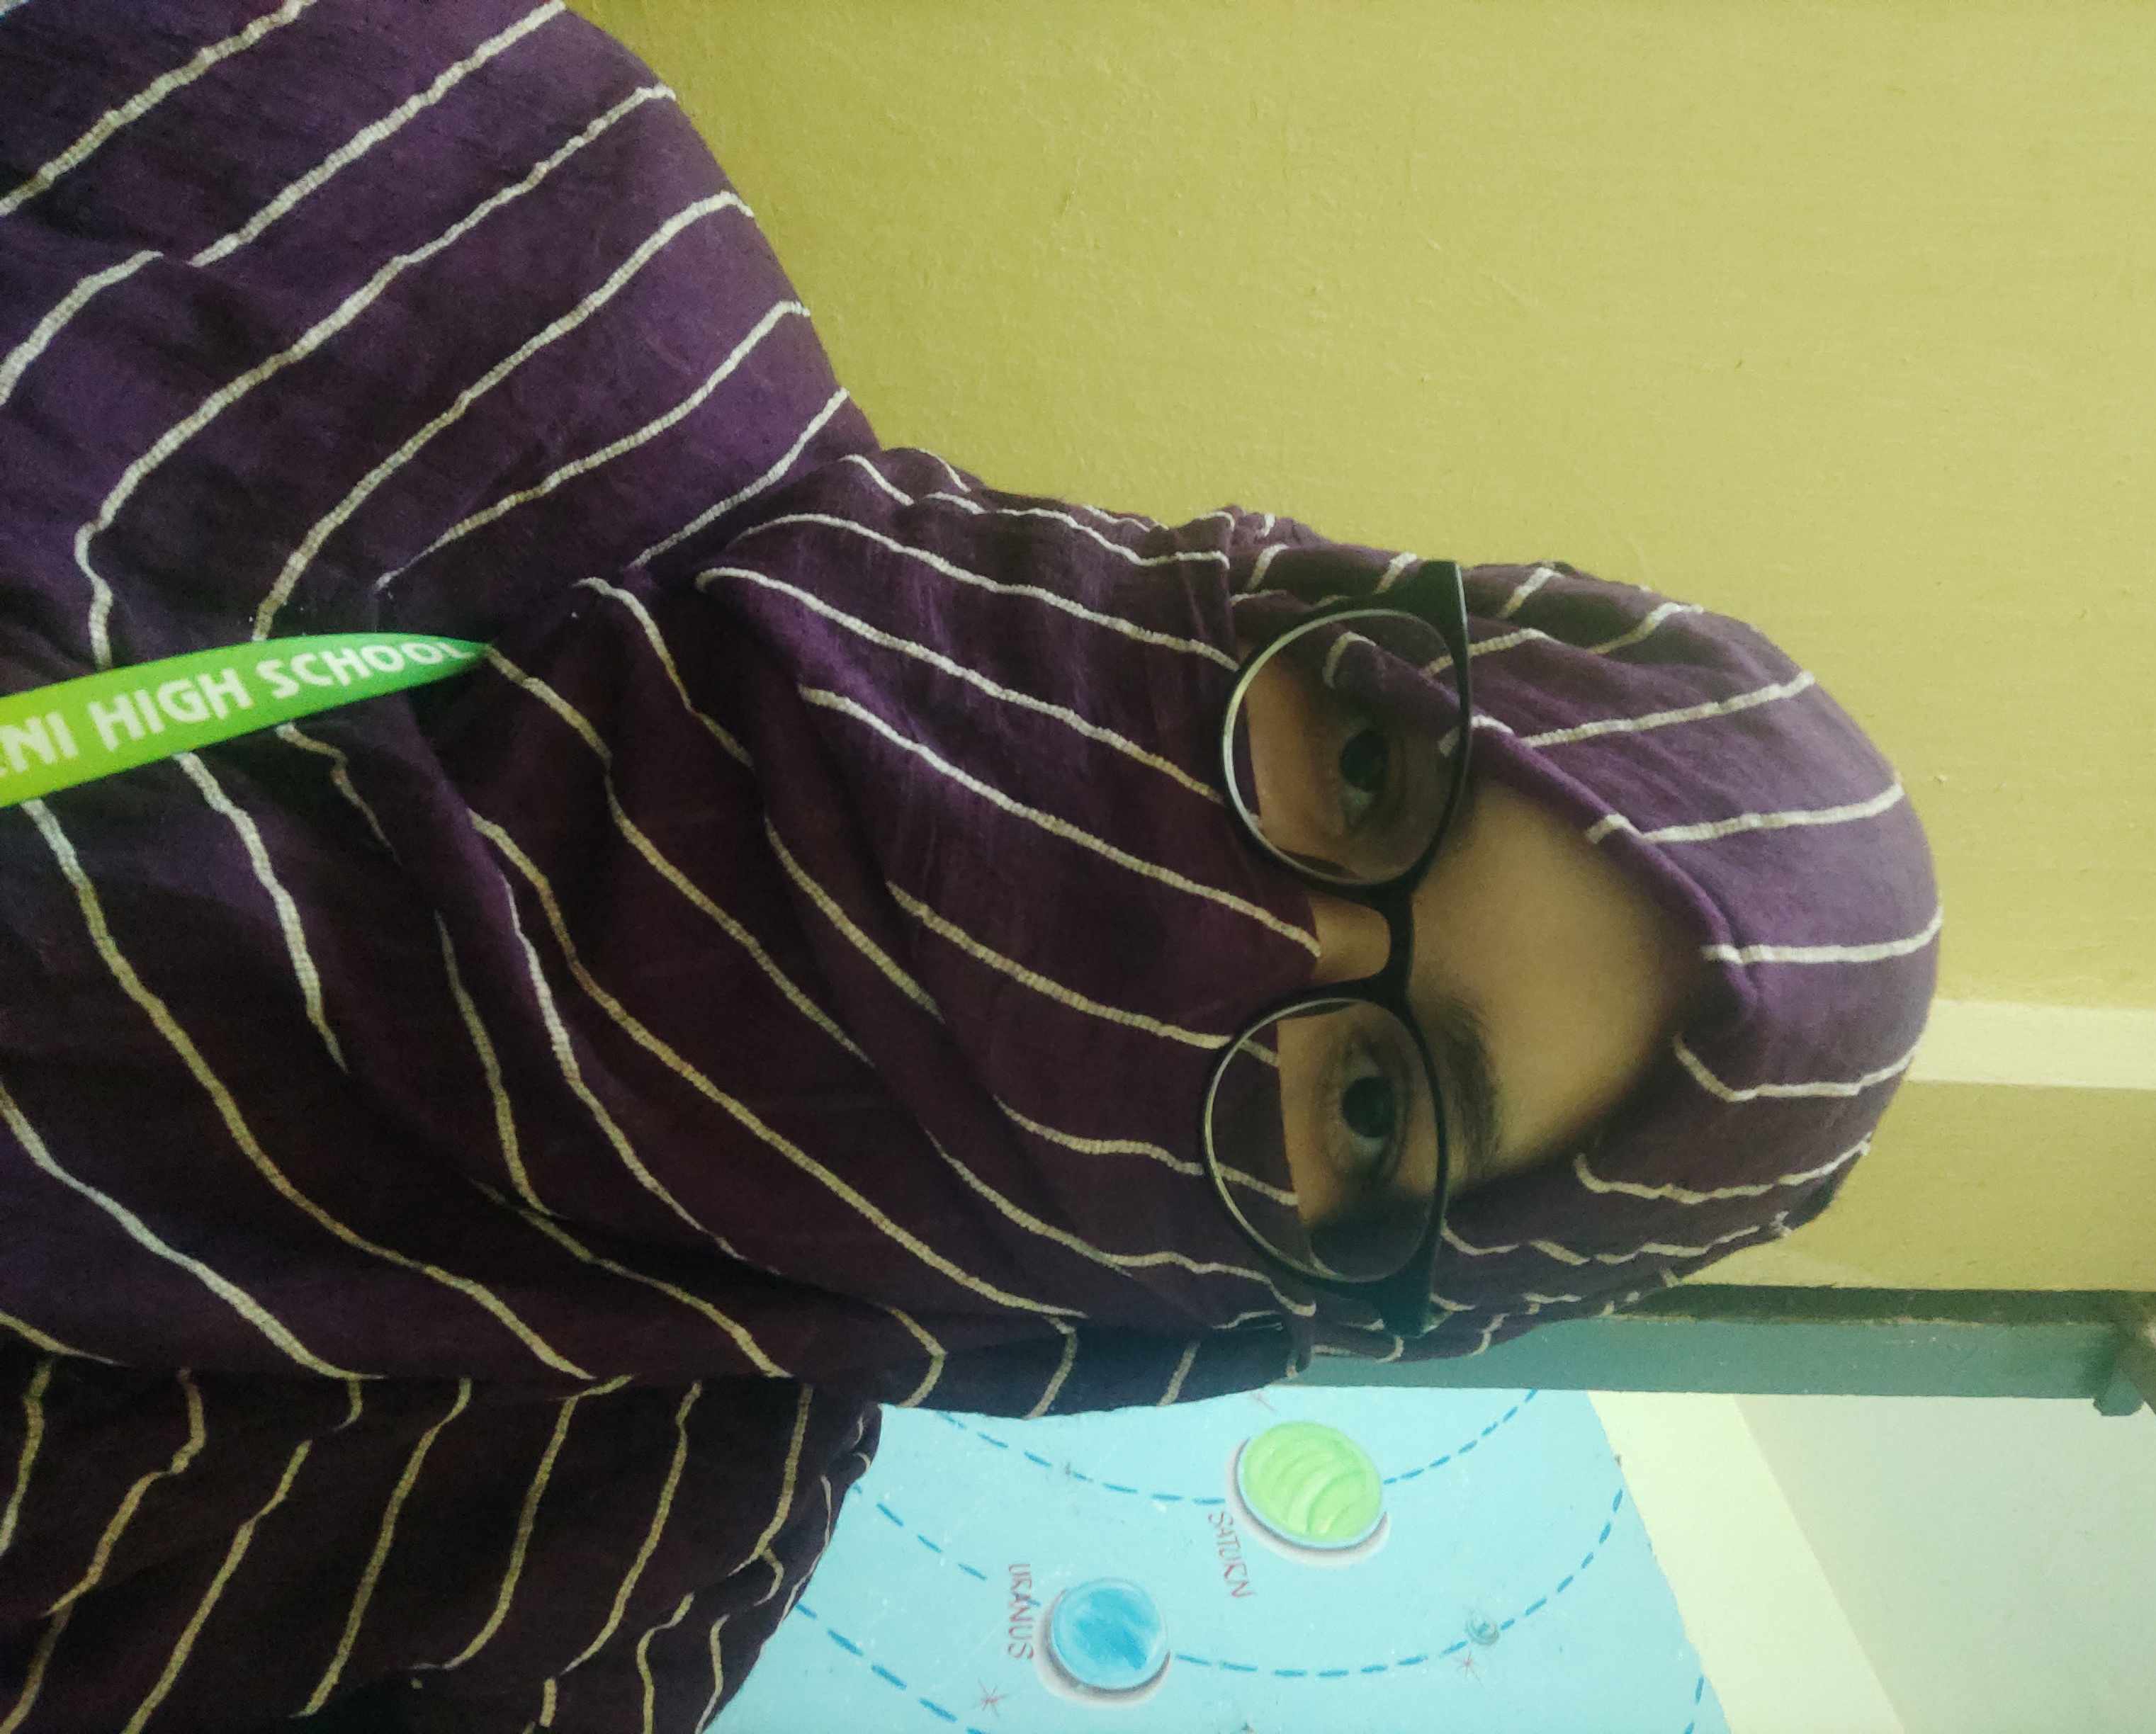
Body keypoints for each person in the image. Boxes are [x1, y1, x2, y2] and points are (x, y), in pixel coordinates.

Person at [0, 4, 1938, 1729]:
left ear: (1245, 1305)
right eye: (1365, 768)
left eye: (1368, 1099)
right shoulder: (485, 179)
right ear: (1296, 600)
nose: (1216, 928)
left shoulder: (588, 1589)